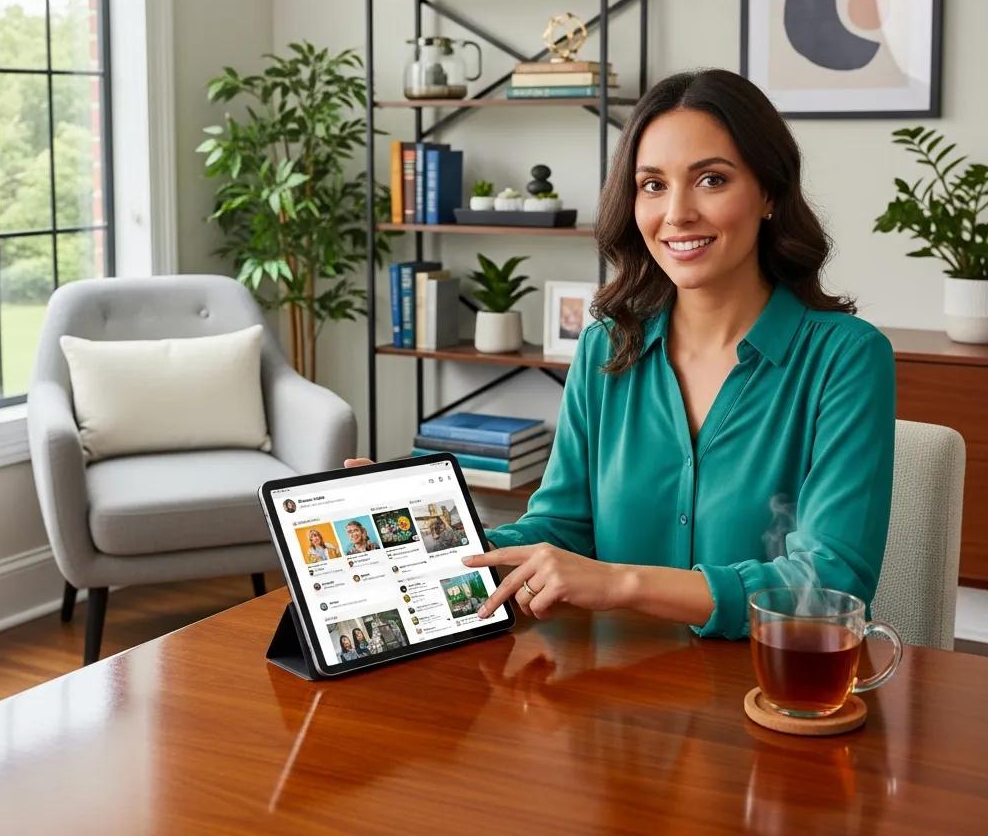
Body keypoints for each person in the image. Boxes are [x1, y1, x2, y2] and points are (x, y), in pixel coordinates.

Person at [346, 69, 895, 640]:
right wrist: (437, 540)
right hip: (611, 680)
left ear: (770, 194)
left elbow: (828, 582)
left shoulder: (846, 359)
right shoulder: (606, 348)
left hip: (769, 679)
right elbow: (562, 526)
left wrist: (622, 583)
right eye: (653, 185)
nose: (677, 214)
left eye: (711, 179)